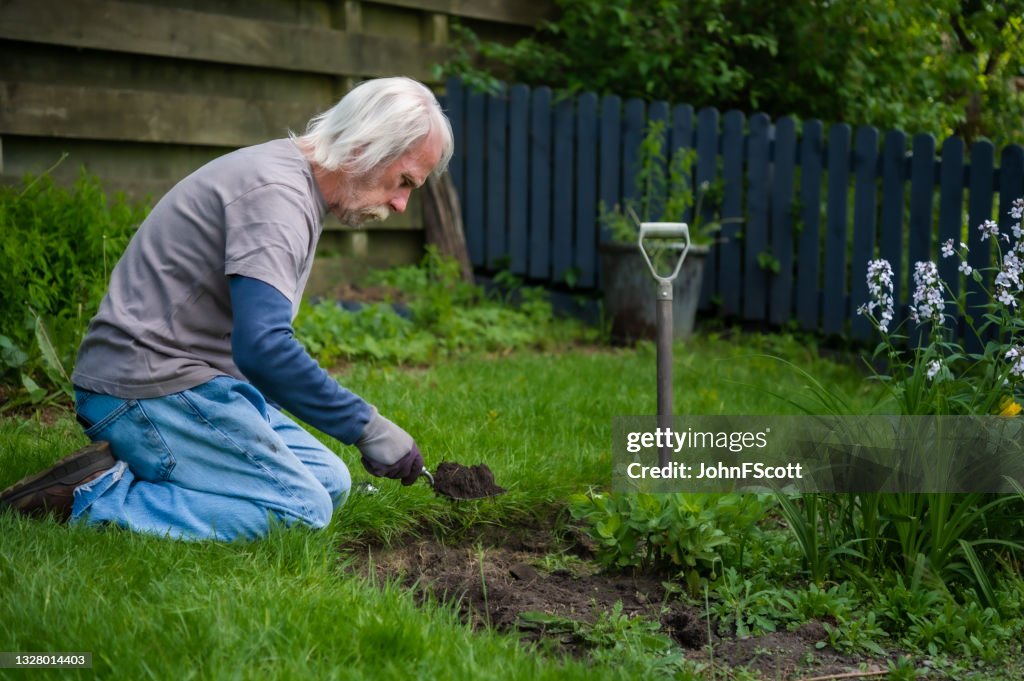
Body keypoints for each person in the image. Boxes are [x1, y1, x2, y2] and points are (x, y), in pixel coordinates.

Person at [0, 76, 454, 541]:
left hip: (198, 382)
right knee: (303, 508)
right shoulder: (276, 197)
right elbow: (263, 348)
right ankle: (89, 497)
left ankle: (160, 471)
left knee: (332, 483)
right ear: (369, 147)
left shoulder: (292, 183)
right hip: (142, 387)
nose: (401, 204)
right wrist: (367, 427)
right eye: (403, 182)